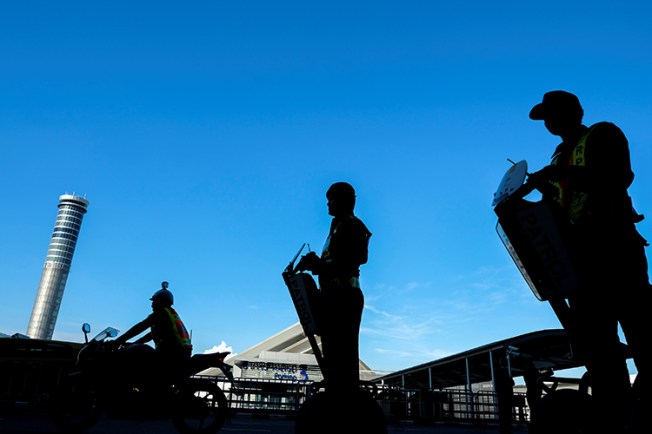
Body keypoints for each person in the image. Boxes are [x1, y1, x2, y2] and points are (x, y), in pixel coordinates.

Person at [522, 90, 651, 434]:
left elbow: (618, 177)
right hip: (579, 260)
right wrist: (543, 191)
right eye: (545, 117)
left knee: (639, 328)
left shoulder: (603, 134)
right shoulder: (561, 153)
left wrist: (558, 176)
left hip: (615, 247)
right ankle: (616, 415)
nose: (549, 122)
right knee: (598, 345)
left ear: (574, 112)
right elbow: (563, 202)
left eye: (553, 114)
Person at [297, 182, 372, 397]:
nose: (328, 204)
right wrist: (316, 263)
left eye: (331, 199)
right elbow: (332, 261)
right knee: (331, 351)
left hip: (344, 296)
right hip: (331, 295)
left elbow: (356, 259)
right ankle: (335, 391)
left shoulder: (353, 225)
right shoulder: (337, 227)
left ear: (345, 201)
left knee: (343, 353)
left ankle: (344, 397)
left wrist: (318, 266)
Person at [113, 281, 193, 387]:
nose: (152, 304)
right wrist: (133, 344)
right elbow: (151, 335)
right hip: (181, 352)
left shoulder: (161, 313)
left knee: (142, 366)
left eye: (154, 301)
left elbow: (140, 327)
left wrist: (118, 340)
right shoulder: (170, 314)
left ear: (160, 302)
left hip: (172, 353)